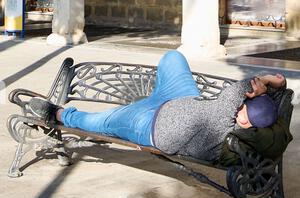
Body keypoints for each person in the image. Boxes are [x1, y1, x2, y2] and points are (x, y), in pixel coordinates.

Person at [28, 50, 288, 163]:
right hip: (179, 101)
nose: (241, 105)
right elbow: (237, 99)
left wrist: (265, 81)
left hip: (147, 124)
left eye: (244, 107)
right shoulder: (245, 119)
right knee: (174, 58)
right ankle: (152, 97)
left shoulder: (224, 122)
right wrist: (275, 86)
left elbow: (235, 92)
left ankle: (58, 113)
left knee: (101, 122)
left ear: (244, 122)